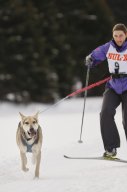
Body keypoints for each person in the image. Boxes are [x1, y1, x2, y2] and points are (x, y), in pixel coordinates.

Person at [85, 23, 127, 159]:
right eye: (116, 36)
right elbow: (95, 56)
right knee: (105, 113)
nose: (118, 38)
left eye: (121, 35)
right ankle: (111, 149)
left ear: (126, 35)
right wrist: (90, 59)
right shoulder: (108, 47)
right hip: (113, 86)